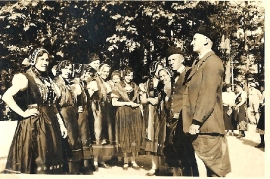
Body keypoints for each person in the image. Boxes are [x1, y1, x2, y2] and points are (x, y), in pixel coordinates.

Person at [2, 47, 67, 174]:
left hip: (50, 124)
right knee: (36, 162)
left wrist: (61, 124)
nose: (45, 62)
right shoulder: (26, 78)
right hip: (34, 124)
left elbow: (53, 104)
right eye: (41, 59)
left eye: (47, 60)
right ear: (33, 60)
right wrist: (23, 113)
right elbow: (6, 96)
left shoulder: (47, 79)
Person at [182, 25, 231, 177]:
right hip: (202, 127)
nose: (191, 42)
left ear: (206, 41)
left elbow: (208, 94)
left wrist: (197, 121)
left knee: (215, 170)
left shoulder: (212, 62)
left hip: (207, 126)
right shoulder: (200, 63)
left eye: (195, 39)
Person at [164, 46, 198, 176]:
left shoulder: (189, 73)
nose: (171, 62)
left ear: (182, 59)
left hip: (184, 120)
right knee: (179, 151)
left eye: (173, 59)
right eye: (169, 60)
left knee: (187, 153)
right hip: (174, 119)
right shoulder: (174, 76)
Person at [54, 60, 83, 174]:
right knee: (68, 140)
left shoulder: (69, 82)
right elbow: (55, 103)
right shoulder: (56, 82)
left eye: (70, 69)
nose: (68, 71)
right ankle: (69, 171)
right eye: (65, 68)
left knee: (75, 139)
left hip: (71, 113)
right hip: (63, 113)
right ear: (60, 69)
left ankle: (74, 170)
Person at [111, 67, 142, 170]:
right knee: (125, 135)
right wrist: (128, 103)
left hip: (134, 113)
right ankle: (125, 161)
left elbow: (139, 100)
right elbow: (114, 103)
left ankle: (133, 161)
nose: (130, 77)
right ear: (123, 75)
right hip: (123, 112)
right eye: (128, 75)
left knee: (134, 135)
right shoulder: (118, 86)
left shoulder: (134, 86)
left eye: (132, 75)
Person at [139, 61, 164, 176]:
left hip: (163, 112)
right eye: (158, 68)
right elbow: (143, 100)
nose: (160, 70)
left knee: (163, 137)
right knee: (153, 138)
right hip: (151, 113)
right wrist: (149, 100)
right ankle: (155, 167)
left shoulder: (165, 81)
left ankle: (165, 166)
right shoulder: (147, 83)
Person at [87, 63, 113, 171]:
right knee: (97, 135)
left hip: (104, 110)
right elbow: (88, 96)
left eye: (107, 72)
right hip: (96, 110)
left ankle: (101, 159)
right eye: (104, 71)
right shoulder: (94, 81)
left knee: (103, 135)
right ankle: (95, 161)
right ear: (100, 71)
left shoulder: (105, 83)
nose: (106, 73)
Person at [255, 82, 265, 148]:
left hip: (265, 110)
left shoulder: (264, 92)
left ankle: (262, 142)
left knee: (261, 127)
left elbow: (261, 100)